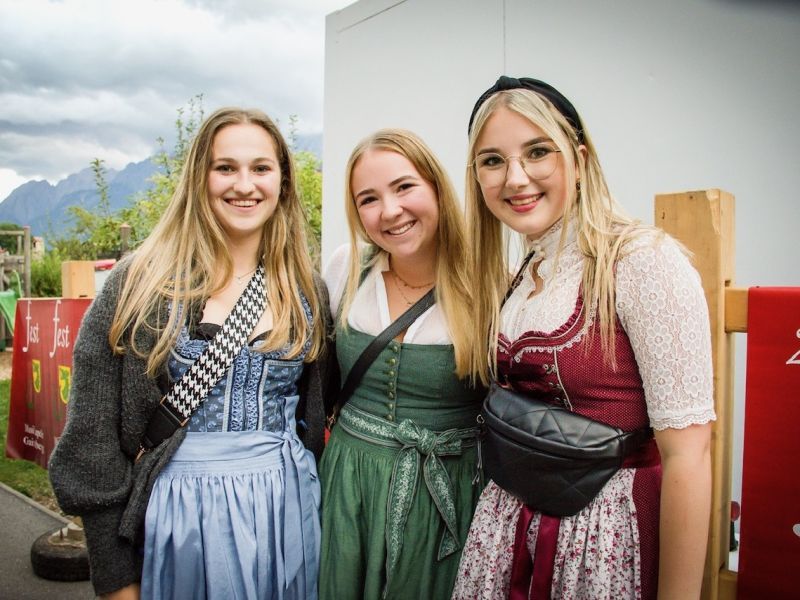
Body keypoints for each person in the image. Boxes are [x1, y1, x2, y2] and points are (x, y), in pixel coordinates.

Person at [49, 107, 331, 600]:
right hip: (181, 523)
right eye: (225, 167)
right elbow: (91, 446)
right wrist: (117, 580)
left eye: (261, 168)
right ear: (199, 177)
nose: (244, 184)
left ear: (283, 181)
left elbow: (320, 410)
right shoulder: (138, 285)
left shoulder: (306, 287)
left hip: (288, 513)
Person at [451, 76, 715, 600]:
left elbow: (689, 455)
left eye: (537, 152)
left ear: (580, 157)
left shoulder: (641, 262)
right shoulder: (523, 272)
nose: (516, 178)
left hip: (601, 541)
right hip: (508, 533)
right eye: (493, 160)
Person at [319, 129, 485, 599]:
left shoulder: (487, 283)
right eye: (368, 199)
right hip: (349, 483)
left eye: (404, 187)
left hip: (447, 489)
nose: (390, 211)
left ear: (436, 186)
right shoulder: (346, 268)